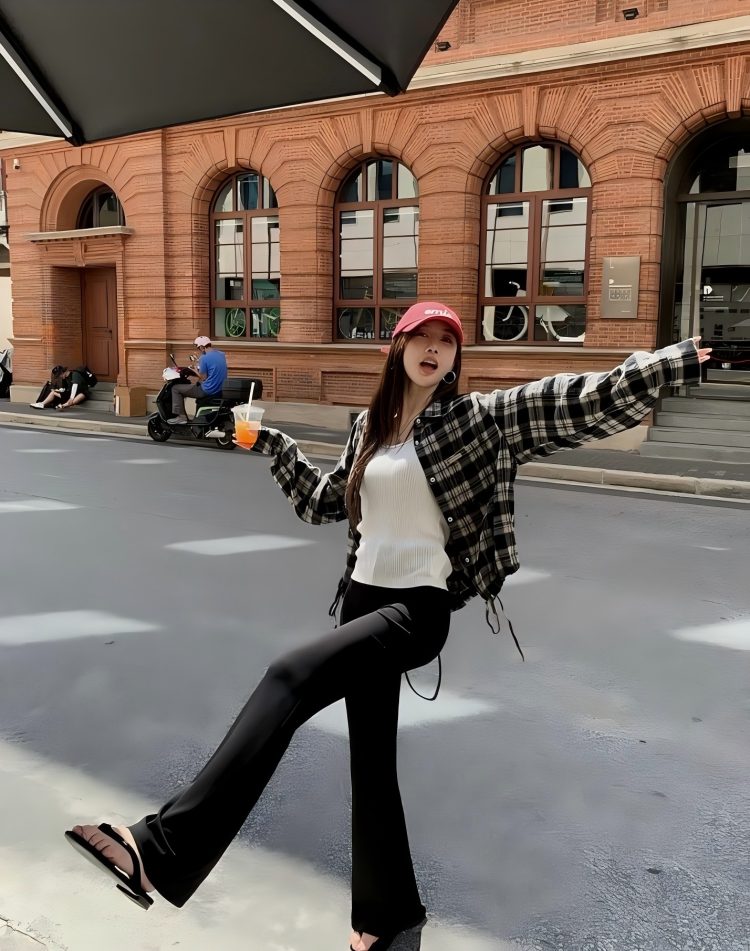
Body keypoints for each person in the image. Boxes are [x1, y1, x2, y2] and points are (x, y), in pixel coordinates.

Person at [65, 302, 712, 951]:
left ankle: (162, 849)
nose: (433, 348)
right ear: (396, 348)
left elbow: (574, 399)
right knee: (371, 766)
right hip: (362, 601)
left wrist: (666, 365)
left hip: (415, 610)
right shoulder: (369, 429)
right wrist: (272, 444)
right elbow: (325, 503)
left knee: (289, 676)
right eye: (420, 337)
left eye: (445, 341)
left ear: (454, 359)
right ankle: (389, 919)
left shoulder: (473, 421)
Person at [167, 335, 227, 424]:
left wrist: (194, 370)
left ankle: (181, 417)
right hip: (219, 388)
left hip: (207, 389)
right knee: (193, 386)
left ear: (202, 347)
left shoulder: (204, 358)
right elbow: (213, 370)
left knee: (176, 388)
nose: (199, 350)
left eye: (198, 348)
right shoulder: (221, 354)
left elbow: (203, 377)